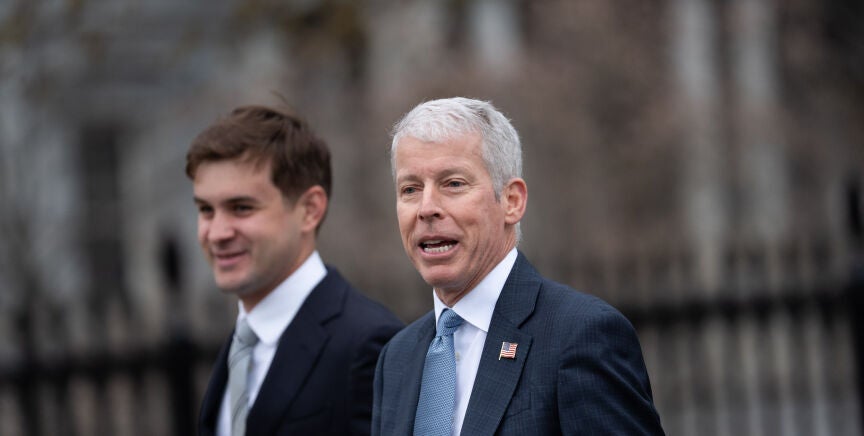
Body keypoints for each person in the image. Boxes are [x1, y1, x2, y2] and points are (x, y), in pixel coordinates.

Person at [372, 97, 664, 435]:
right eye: (410, 189)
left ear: (512, 201)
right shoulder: (396, 359)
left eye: (453, 184)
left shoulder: (581, 335)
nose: (426, 208)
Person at [188, 104, 403, 436]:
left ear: (309, 210)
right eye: (206, 210)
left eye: (241, 208)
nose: (217, 233)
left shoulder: (367, 345)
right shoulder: (241, 343)